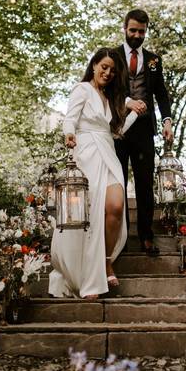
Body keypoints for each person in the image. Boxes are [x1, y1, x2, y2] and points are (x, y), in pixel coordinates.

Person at [49, 48, 138, 299]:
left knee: (116, 205)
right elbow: (70, 119)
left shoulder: (109, 98)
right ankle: (88, 277)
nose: (108, 73)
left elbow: (114, 133)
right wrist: (69, 135)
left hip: (108, 153)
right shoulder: (82, 89)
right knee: (89, 215)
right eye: (104, 67)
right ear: (94, 65)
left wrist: (133, 114)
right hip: (86, 153)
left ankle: (107, 260)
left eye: (112, 70)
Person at [112, 9, 173, 256]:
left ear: (146, 31)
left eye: (142, 31)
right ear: (125, 29)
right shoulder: (112, 56)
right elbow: (106, 88)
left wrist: (167, 121)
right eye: (133, 30)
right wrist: (127, 101)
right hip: (116, 128)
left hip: (144, 130)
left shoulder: (153, 60)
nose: (137, 35)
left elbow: (161, 93)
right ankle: (121, 237)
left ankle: (146, 236)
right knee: (118, 183)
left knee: (146, 184)